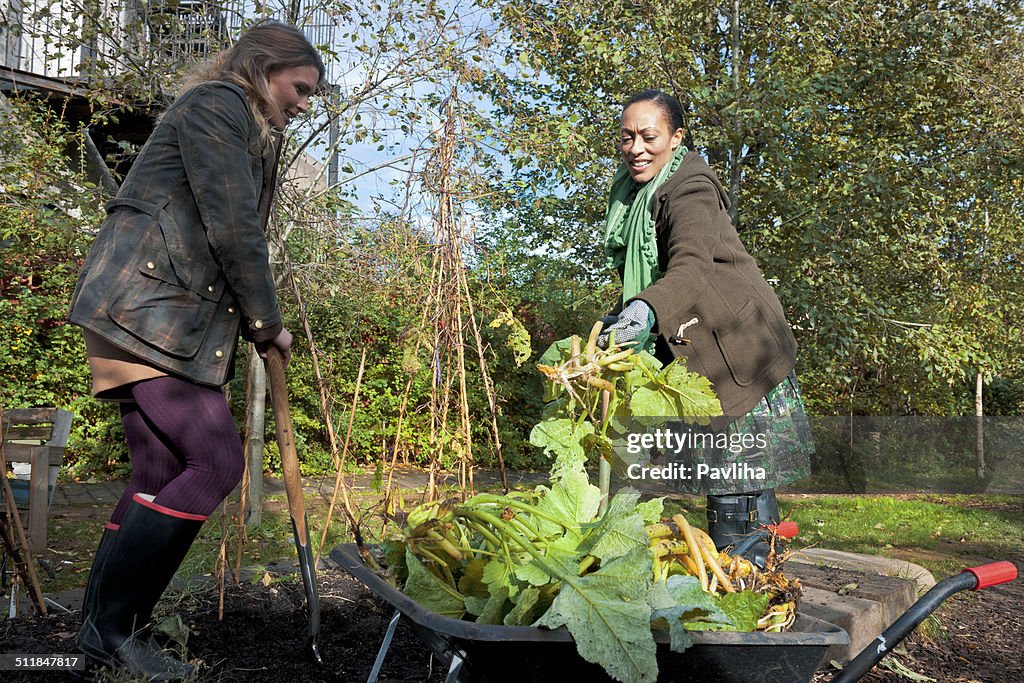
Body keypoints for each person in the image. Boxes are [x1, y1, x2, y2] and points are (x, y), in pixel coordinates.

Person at [69, 20, 325, 680]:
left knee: (157, 472)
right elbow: (233, 224)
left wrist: (253, 322)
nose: (303, 103)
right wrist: (266, 323)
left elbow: (226, 227)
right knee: (215, 460)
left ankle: (105, 633)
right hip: (144, 313)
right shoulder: (218, 106)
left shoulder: (241, 121)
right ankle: (114, 634)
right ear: (265, 67)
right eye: (299, 88)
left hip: (142, 313)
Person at [597, 89, 812, 566]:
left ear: (676, 138)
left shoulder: (691, 187)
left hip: (738, 350)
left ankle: (752, 578)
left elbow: (690, 265)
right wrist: (624, 317)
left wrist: (645, 310)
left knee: (739, 484)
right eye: (627, 137)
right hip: (701, 350)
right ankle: (746, 570)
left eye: (649, 136)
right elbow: (651, 278)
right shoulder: (633, 196)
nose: (636, 148)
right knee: (728, 480)